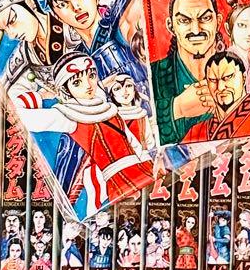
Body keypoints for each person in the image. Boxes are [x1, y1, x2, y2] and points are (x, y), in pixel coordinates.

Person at [14, 53, 153, 213]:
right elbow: (20, 114)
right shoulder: (68, 116)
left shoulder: (109, 108)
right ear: (65, 88)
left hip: (145, 171)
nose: (88, 85)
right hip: (119, 182)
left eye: (91, 76)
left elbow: (134, 143)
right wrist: (39, 96)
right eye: (77, 82)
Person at [150, 0, 221, 142]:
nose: (196, 30)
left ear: (218, 21)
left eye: (205, 18)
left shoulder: (240, 71)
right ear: (171, 26)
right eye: (184, 21)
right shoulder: (153, 75)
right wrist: (176, 108)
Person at [0, 0, 69, 98]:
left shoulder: (71, 24)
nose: (12, 35)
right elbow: (7, 92)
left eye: (12, 20)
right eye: (5, 30)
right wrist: (38, 96)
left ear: (30, 3)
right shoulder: (24, 54)